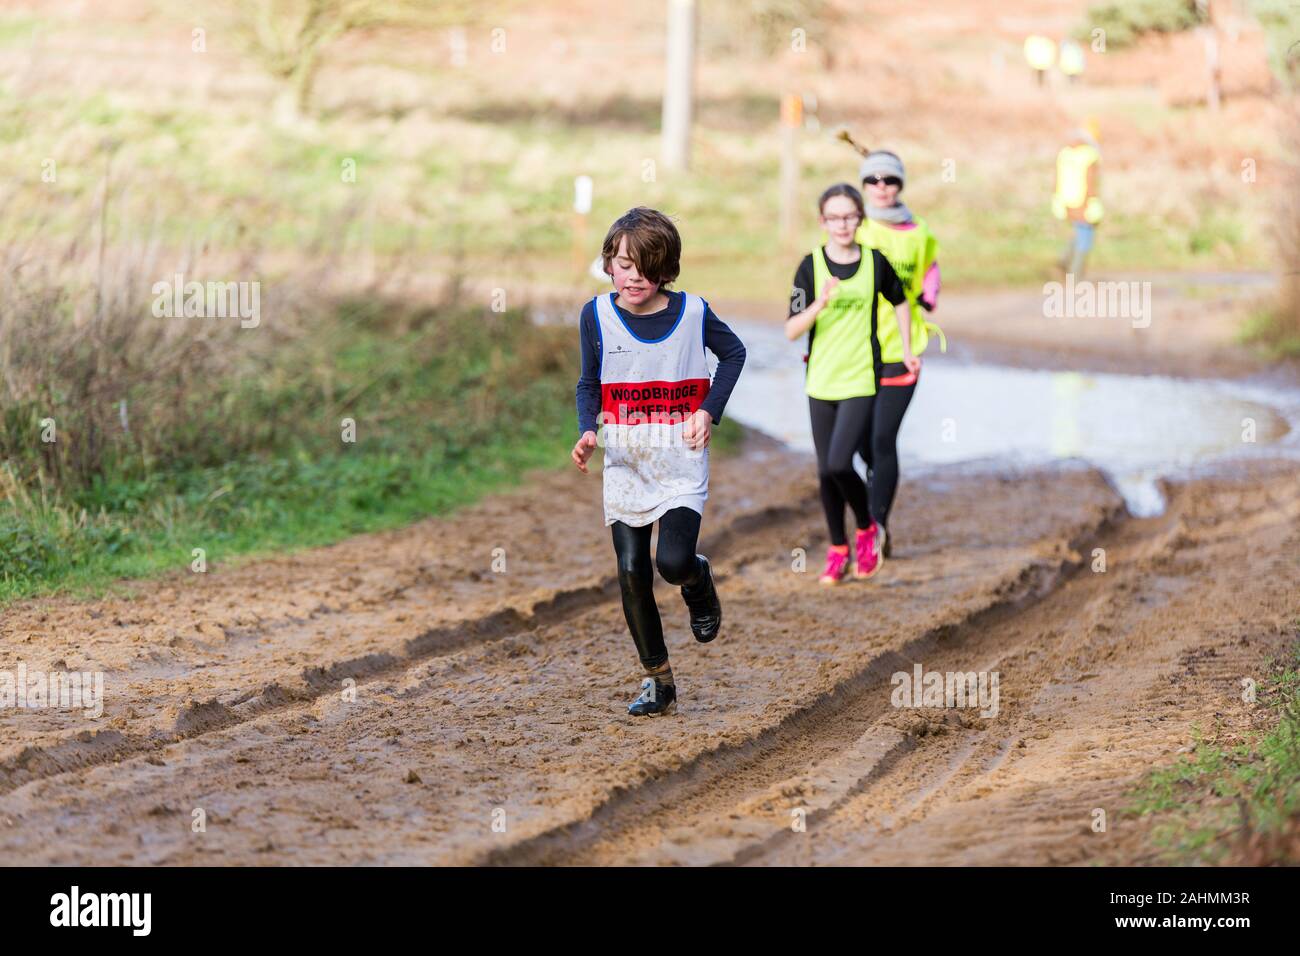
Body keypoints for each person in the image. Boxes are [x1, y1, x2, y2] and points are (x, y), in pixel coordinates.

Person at [572, 207, 746, 717]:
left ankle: (697, 579)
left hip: (680, 455)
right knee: (631, 571)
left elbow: (734, 354)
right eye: (622, 264)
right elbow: (589, 382)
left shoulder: (693, 313)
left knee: (670, 563)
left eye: (645, 267)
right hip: (625, 458)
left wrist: (709, 410)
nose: (633, 276)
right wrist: (587, 429)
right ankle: (658, 680)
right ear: (609, 264)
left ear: (666, 269)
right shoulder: (595, 315)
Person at [786, 183, 916, 585]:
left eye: (849, 216)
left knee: (841, 462)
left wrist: (908, 349)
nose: (842, 224)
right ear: (822, 221)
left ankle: (866, 527)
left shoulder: (876, 263)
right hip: (820, 380)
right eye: (834, 217)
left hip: (862, 378)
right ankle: (838, 547)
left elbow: (901, 301)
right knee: (826, 472)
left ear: (859, 218)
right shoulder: (809, 266)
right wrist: (819, 304)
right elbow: (792, 329)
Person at [854, 150, 945, 558]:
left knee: (882, 437)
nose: (881, 187)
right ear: (863, 187)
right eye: (872, 181)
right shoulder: (854, 227)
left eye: (889, 180)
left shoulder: (919, 229)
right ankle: (876, 487)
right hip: (856, 350)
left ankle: (877, 526)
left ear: (900, 185)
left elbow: (930, 265)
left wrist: (930, 294)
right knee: (858, 441)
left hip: (903, 350)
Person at [1053, 120, 1104, 278]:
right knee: (1086, 236)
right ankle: (1075, 274)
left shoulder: (1065, 153)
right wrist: (1090, 202)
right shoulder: (1090, 155)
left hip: (1065, 200)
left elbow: (1056, 178)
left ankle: (1064, 261)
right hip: (1083, 202)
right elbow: (1090, 181)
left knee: (1079, 232)